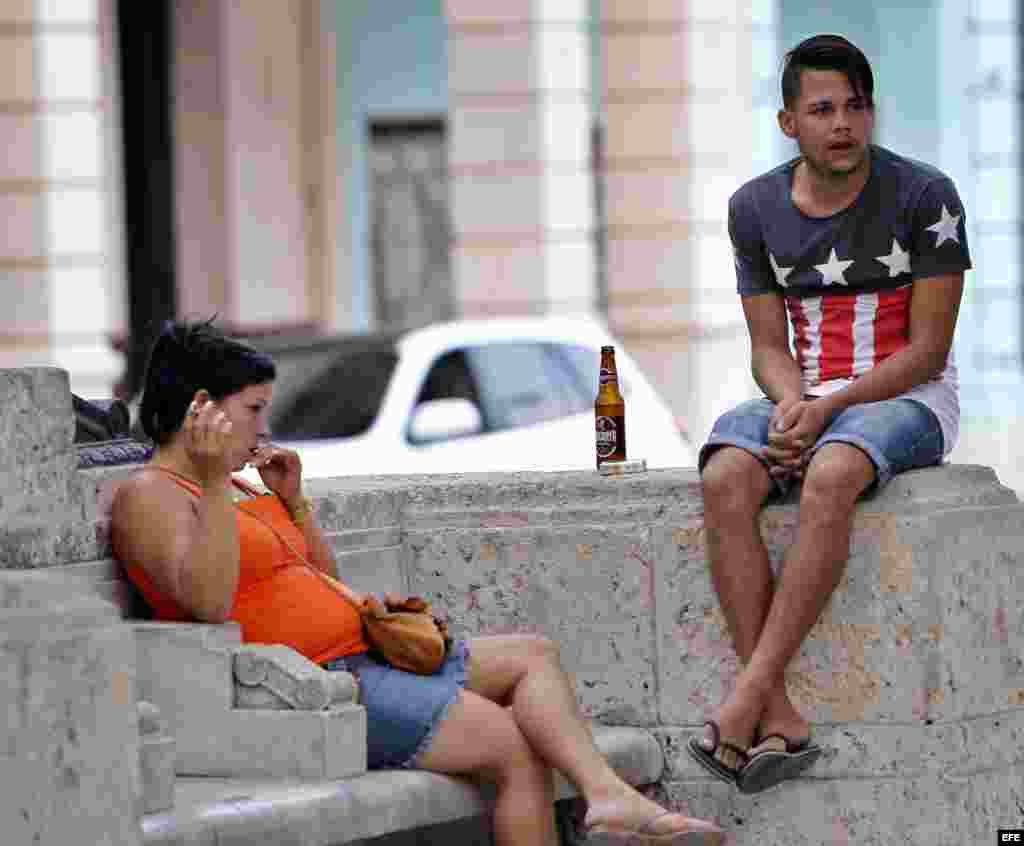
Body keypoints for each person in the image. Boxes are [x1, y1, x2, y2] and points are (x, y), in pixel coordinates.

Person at [111, 320, 724, 846]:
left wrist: (293, 504)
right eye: (251, 411)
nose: (261, 427)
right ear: (203, 410)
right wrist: (217, 479)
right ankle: (609, 802)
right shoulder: (152, 495)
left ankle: (607, 795)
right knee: (512, 747)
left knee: (531, 656)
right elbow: (206, 603)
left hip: (364, 654)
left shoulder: (241, 488)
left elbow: (322, 581)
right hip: (312, 689)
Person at [688, 33, 971, 794]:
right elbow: (766, 346)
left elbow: (928, 350)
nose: (842, 123)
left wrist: (829, 408)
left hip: (904, 395)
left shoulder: (925, 197)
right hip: (805, 391)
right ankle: (779, 713)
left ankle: (746, 697)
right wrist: (791, 403)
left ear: (871, 114)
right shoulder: (753, 208)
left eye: (855, 106)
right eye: (821, 109)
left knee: (834, 471)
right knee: (724, 477)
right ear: (789, 123)